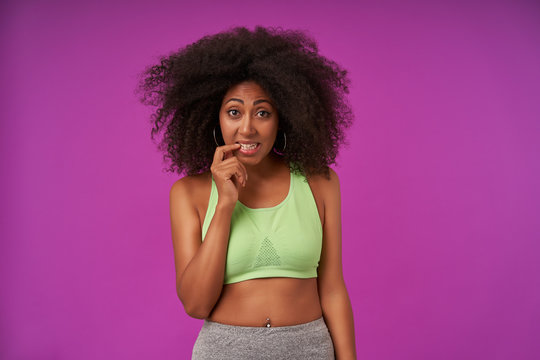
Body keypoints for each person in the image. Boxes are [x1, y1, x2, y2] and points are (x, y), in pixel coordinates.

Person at [137, 25, 356, 359]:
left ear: (284, 118)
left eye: (263, 113)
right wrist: (225, 205)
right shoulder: (189, 193)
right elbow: (196, 304)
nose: (247, 128)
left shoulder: (320, 183)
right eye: (234, 112)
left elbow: (333, 288)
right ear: (216, 118)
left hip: (310, 349)